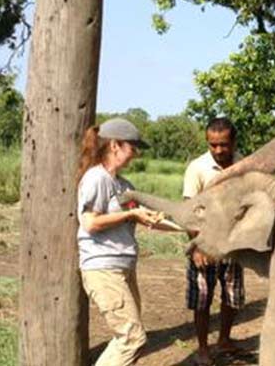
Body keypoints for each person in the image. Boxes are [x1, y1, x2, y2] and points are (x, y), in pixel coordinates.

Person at [76, 118, 168, 366]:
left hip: (124, 267)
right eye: (132, 147)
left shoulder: (124, 185)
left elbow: (140, 216)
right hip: (103, 268)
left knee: (131, 336)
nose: (136, 154)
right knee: (132, 338)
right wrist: (130, 214)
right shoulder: (97, 178)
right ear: (115, 145)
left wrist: (182, 227)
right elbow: (90, 223)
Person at [183, 117, 246, 366]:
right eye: (213, 145)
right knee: (202, 298)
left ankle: (224, 340)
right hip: (204, 243)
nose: (218, 150)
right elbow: (188, 211)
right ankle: (202, 348)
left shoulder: (243, 165)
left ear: (233, 142)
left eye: (223, 144)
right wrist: (197, 246)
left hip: (232, 243)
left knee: (233, 295)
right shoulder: (197, 168)